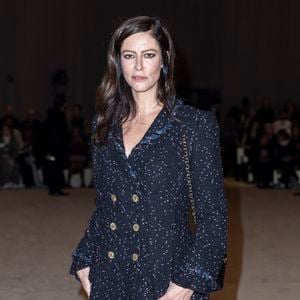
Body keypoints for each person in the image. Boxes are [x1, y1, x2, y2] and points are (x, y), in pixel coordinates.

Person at [70, 16, 227, 300]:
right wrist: (84, 258)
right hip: (110, 272)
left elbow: (212, 216)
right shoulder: (103, 124)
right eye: (129, 56)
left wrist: (188, 282)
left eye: (149, 55)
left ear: (164, 58)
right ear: (117, 61)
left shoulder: (193, 125)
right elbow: (106, 203)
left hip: (167, 275)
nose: (138, 66)